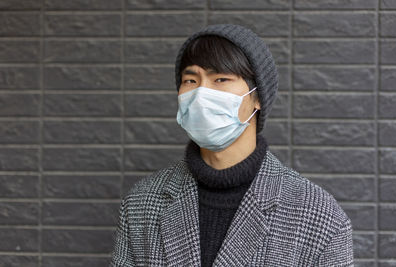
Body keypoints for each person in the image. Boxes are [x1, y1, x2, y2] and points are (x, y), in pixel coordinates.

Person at [109, 23, 354, 267]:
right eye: (191, 80)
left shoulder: (318, 216)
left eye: (221, 79)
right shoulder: (141, 204)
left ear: (257, 97)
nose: (201, 95)